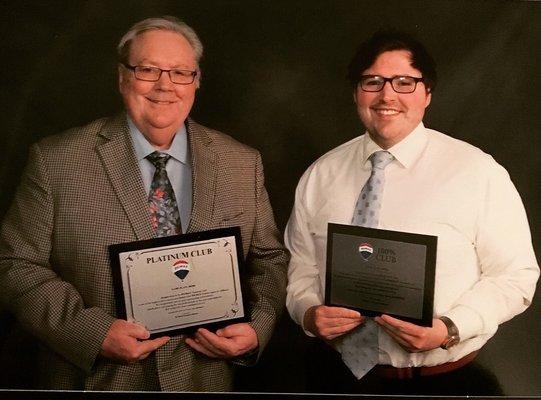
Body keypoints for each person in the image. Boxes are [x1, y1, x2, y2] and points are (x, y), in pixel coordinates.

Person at [0, 16, 288, 391]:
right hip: (97, 382)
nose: (165, 85)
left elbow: (269, 260)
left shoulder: (241, 162)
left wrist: (257, 328)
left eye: (181, 72)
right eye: (148, 70)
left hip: (203, 380)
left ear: (196, 81)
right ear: (123, 78)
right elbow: (14, 263)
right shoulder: (56, 160)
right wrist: (93, 333)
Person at [285, 30, 539, 395]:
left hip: (447, 382)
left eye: (405, 82)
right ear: (357, 92)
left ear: (427, 94)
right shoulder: (321, 174)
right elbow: (300, 266)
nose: (387, 95)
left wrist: (451, 328)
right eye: (373, 81)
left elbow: (515, 276)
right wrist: (309, 312)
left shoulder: (478, 172)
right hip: (335, 378)